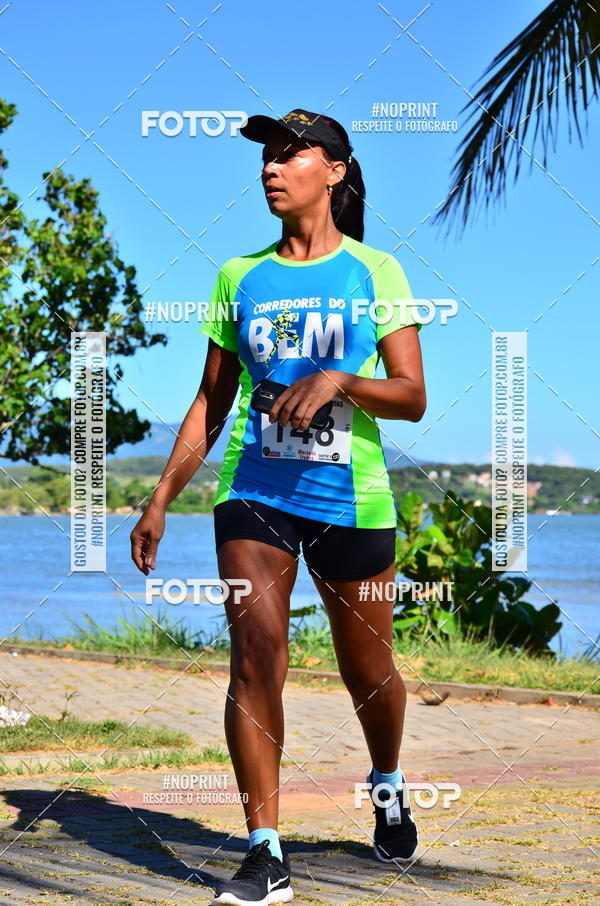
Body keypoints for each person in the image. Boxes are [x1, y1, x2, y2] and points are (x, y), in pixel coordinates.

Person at [130, 108, 426, 906]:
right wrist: (161, 498)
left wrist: (338, 381)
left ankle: (389, 780)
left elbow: (412, 397)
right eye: (267, 154)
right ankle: (266, 851)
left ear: (333, 170)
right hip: (253, 491)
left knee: (370, 673)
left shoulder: (376, 272)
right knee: (256, 655)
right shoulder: (239, 276)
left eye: (291, 152)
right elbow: (209, 404)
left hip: (350, 498)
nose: (271, 166)